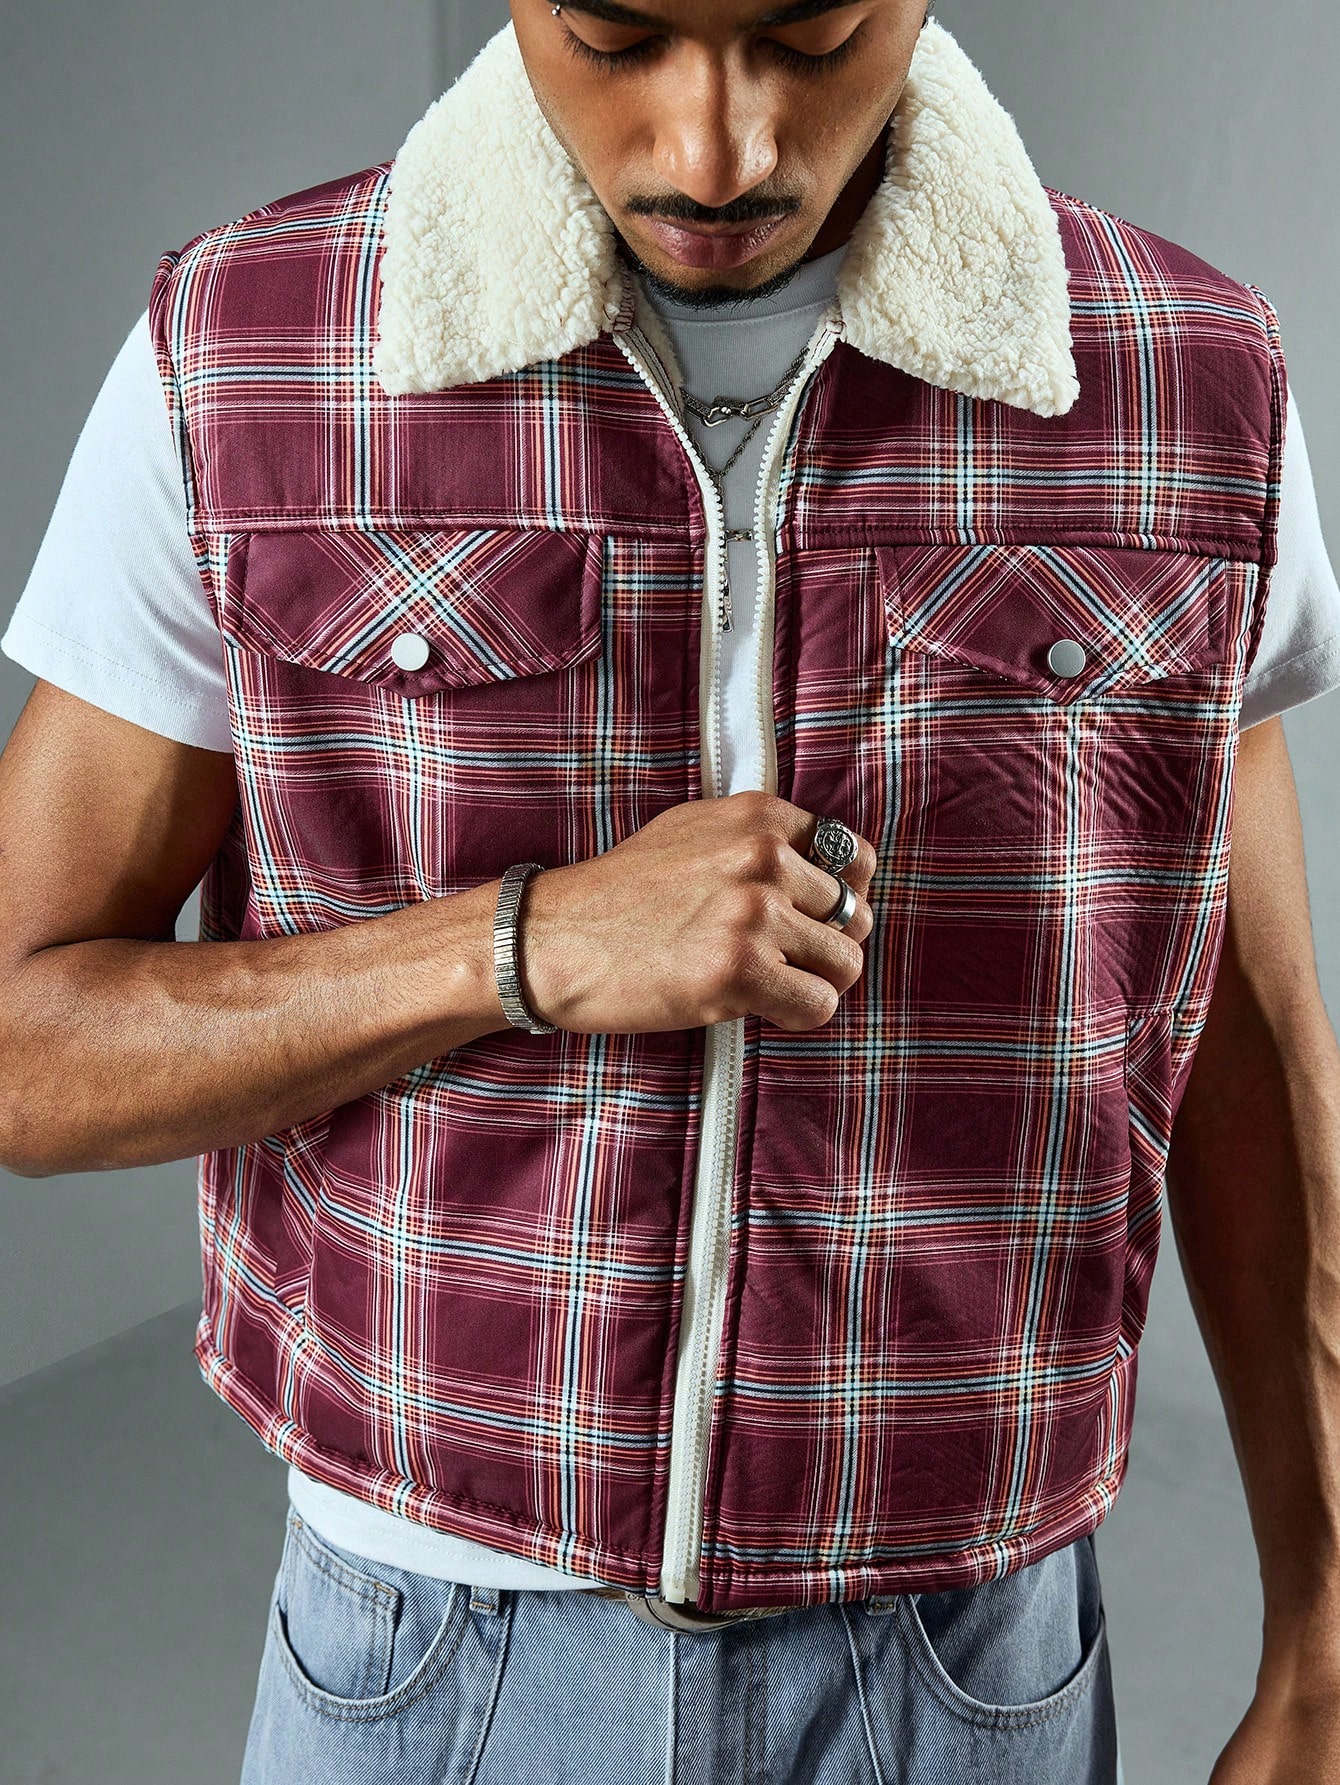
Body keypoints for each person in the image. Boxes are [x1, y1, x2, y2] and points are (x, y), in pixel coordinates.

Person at [2, 0, 1339, 1779]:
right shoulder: (252, 355)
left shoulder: (1185, 381)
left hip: (959, 1669)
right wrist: (523, 945)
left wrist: (1327, 1638)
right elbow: (25, 1044)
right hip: (425, 1663)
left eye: (812, 34)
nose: (718, 152)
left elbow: (1238, 1038)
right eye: (620, 36)